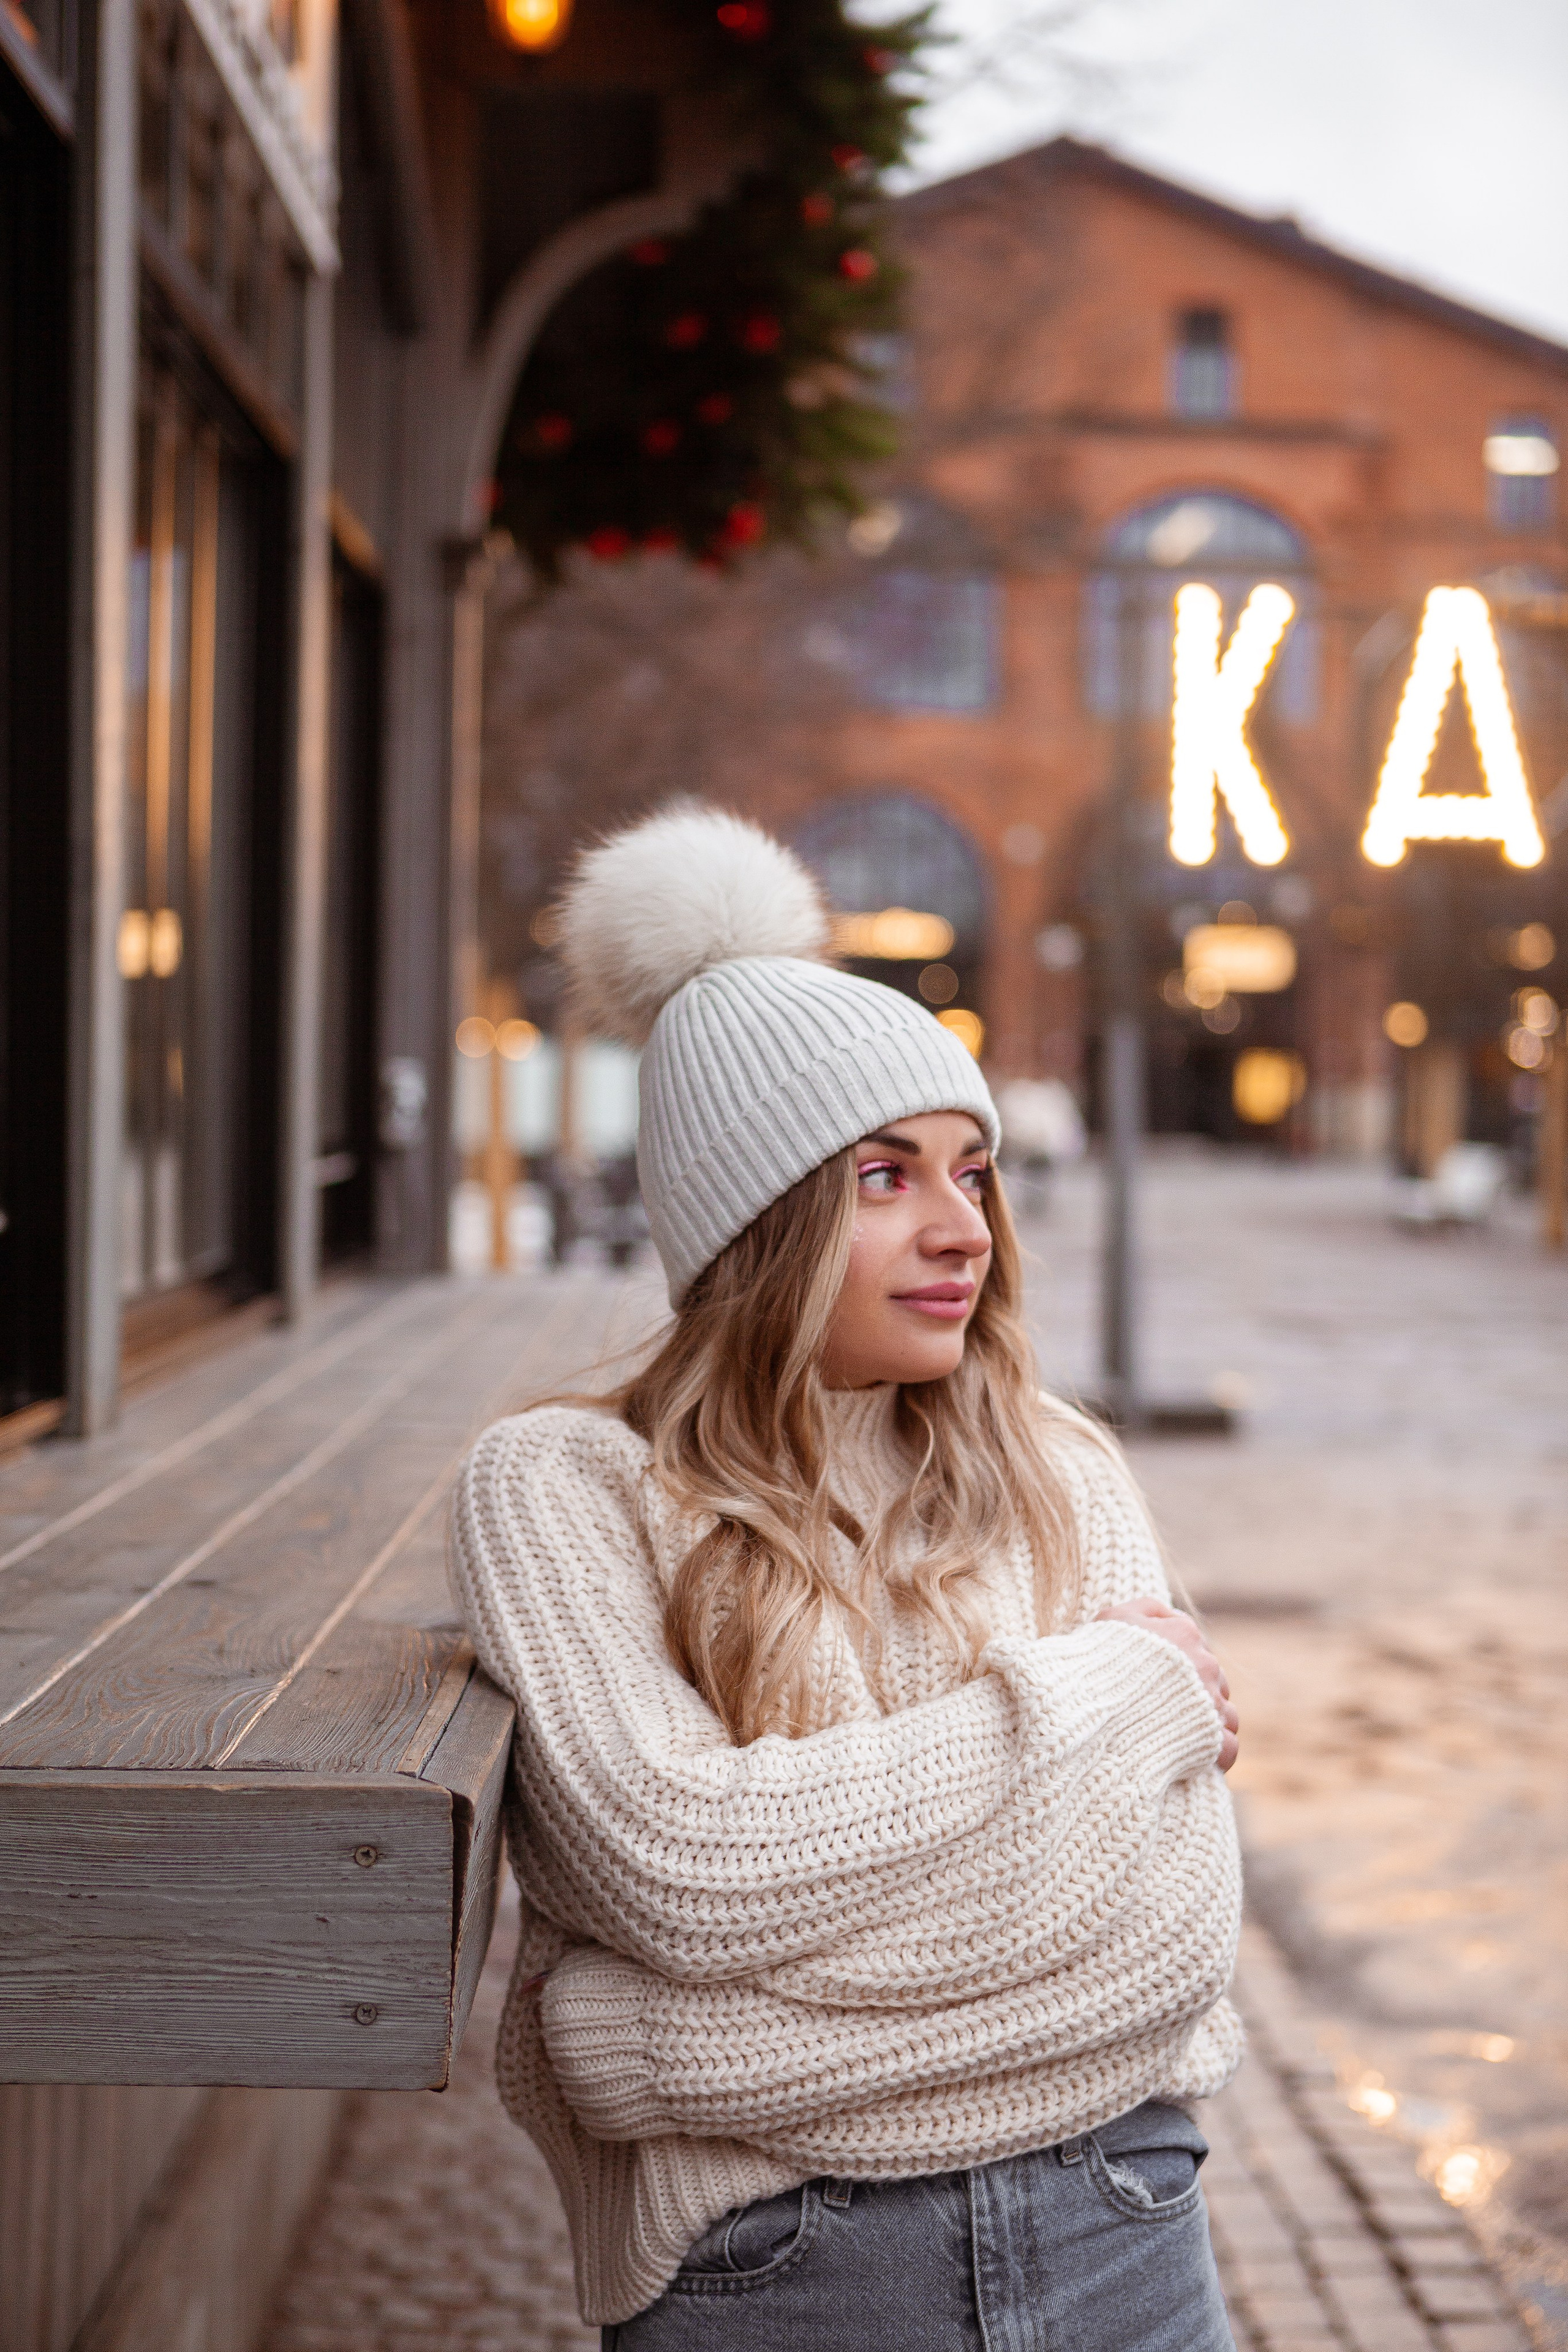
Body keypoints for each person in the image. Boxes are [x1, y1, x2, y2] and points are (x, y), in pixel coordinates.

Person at [450, 806, 1244, 2351]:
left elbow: (1171, 1933)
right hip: (779, 2269)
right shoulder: (564, 1488)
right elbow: (679, 1867)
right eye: (883, 1177)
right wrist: (1105, 1701)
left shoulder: (1056, 1462)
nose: (962, 1232)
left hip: (1122, 2229)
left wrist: (664, 2049)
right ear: (756, 1221)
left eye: (971, 1173)